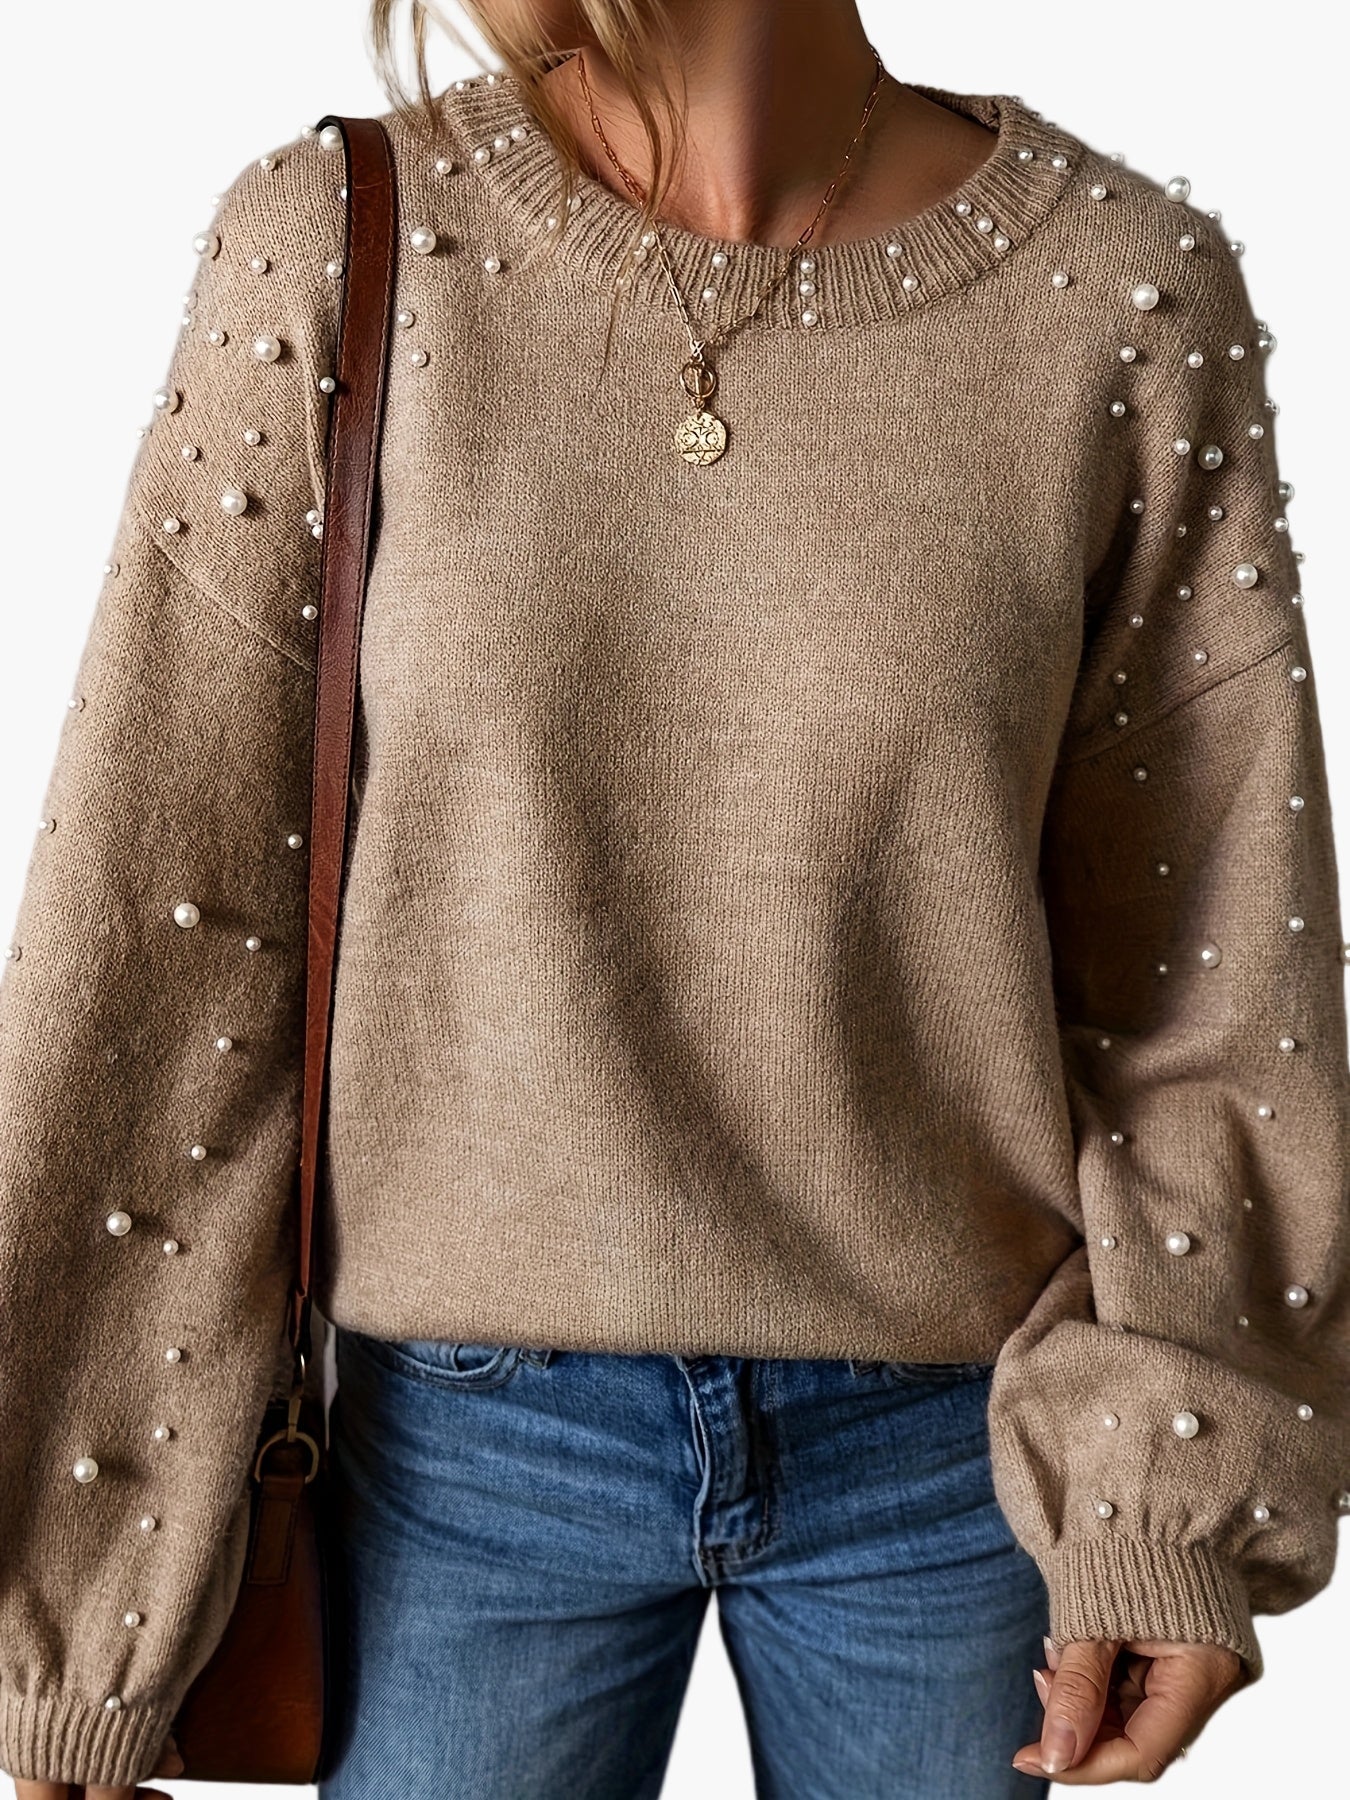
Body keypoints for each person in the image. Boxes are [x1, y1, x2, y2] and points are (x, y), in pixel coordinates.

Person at [1, 1, 1347, 1795]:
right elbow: (163, 920)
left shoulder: (1118, 294)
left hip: (961, 1459)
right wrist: (79, 1608)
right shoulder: (341, 239)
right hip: (455, 1460)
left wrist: (1168, 1493)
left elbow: (1206, 971)